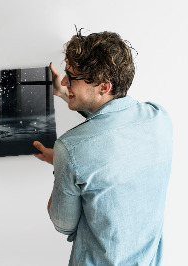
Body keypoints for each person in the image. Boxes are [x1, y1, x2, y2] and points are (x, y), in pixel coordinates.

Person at [33, 30, 173, 265]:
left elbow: (62, 224)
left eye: (72, 77)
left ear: (104, 87)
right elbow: (113, 124)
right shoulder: (159, 118)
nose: (65, 81)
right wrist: (65, 94)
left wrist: (61, 163)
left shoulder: (70, 149)